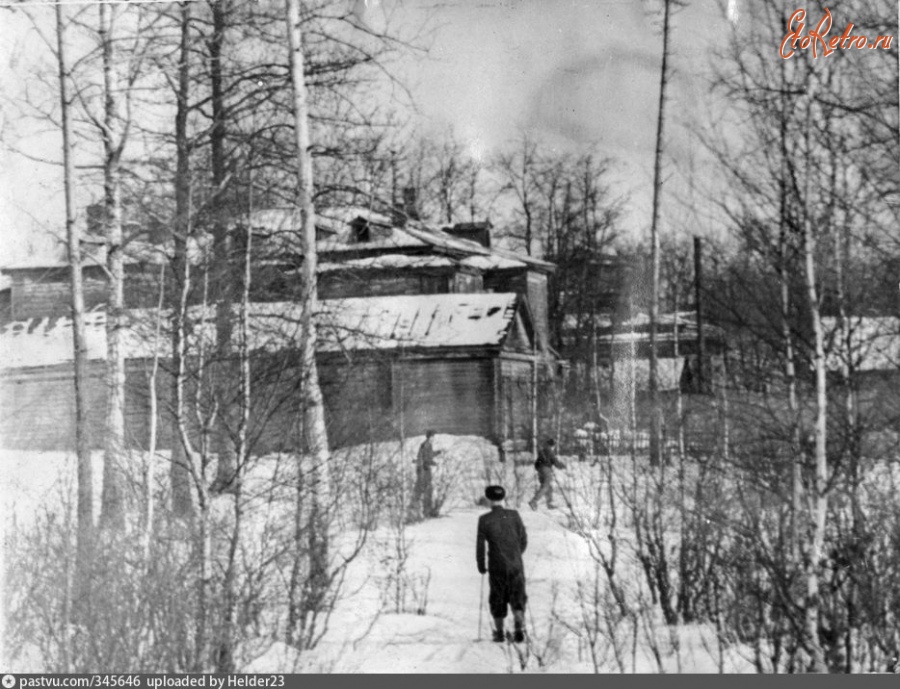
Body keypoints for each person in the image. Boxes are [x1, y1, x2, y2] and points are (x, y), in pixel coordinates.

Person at [476, 485, 528, 642]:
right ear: (503, 498)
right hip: (515, 565)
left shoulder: (484, 520)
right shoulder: (514, 515)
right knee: (517, 596)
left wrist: (481, 564)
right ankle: (519, 626)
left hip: (496, 565)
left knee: (497, 597)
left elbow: (480, 545)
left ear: (488, 499)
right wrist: (515, 555)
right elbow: (523, 539)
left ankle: (499, 633)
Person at [409, 429, 442, 520]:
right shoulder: (425, 445)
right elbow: (424, 458)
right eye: (432, 436)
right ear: (429, 437)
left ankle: (425, 511)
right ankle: (423, 512)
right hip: (423, 471)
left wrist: (438, 452)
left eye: (433, 437)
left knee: (427, 490)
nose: (433, 438)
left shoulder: (428, 445)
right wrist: (431, 463)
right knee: (424, 490)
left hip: (425, 470)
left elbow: (429, 456)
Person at [529, 438, 566, 510]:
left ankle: (549, 504)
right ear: (552, 445)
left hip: (540, 470)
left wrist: (540, 469)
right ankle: (534, 501)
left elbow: (537, 463)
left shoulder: (542, 451)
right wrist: (564, 466)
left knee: (548, 487)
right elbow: (556, 462)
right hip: (546, 469)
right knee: (545, 486)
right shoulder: (549, 451)